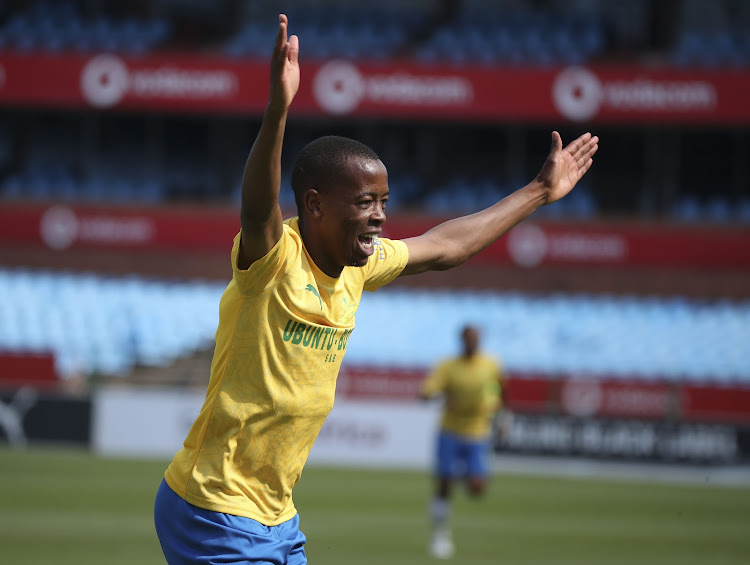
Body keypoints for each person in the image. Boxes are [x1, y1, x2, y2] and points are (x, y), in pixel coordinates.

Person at [153, 13, 598, 565]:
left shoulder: (360, 265)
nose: (380, 217)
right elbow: (258, 205)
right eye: (365, 202)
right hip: (212, 508)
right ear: (314, 205)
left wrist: (537, 191)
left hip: (276, 517)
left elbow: (446, 246)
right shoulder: (271, 259)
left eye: (384, 202)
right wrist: (277, 110)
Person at [420, 325, 504, 559]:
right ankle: (440, 534)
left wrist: (502, 416)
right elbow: (425, 393)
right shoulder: (448, 366)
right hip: (450, 430)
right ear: (461, 340)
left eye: (476, 338)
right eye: (468, 338)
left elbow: (499, 389)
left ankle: (463, 472)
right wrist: (444, 395)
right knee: (444, 483)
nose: (472, 342)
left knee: (477, 489)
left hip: (478, 431)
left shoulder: (491, 364)